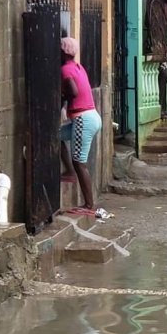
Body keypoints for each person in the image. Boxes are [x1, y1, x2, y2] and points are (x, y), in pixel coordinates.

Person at [60, 37, 102, 211]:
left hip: (83, 119)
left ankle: (89, 205)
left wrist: (62, 99)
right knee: (56, 136)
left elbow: (73, 91)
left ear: (62, 52)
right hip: (91, 116)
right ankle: (69, 172)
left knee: (79, 162)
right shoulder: (78, 67)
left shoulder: (65, 69)